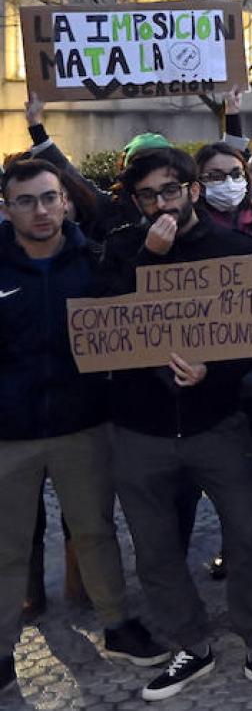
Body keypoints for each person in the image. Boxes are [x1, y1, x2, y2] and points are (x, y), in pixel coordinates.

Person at [95, 149, 252, 702]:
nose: (161, 203)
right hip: (140, 426)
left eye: (170, 190)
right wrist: (148, 259)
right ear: (136, 202)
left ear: (192, 191)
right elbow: (100, 322)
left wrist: (215, 369)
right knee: (155, 544)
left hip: (217, 422)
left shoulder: (233, 250)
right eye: (148, 195)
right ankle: (189, 642)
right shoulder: (120, 249)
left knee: (248, 534)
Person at [0, 159, 169, 696]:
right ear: (7, 208)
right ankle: (2, 648)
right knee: (6, 545)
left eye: (49, 198)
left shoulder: (94, 260)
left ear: (66, 202)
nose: (41, 210)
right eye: (26, 200)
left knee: (94, 530)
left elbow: (132, 317)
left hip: (82, 424)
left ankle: (117, 624)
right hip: (9, 432)